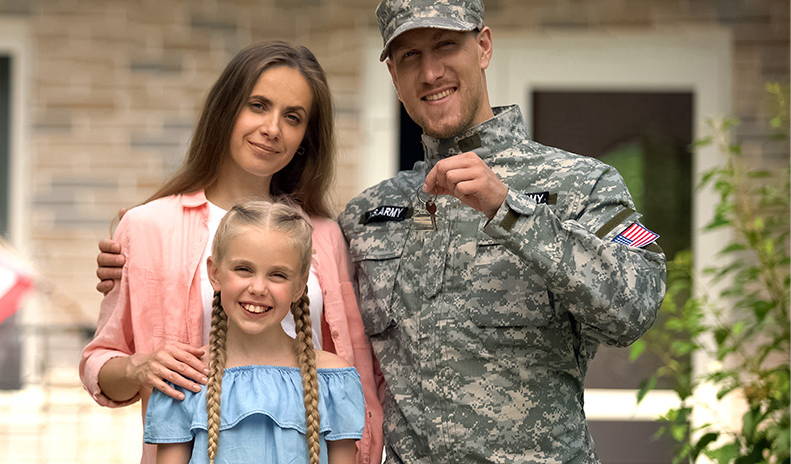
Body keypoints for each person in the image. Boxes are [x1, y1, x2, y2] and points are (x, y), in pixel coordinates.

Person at [99, 1, 668, 461]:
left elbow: (635, 308)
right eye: (409, 56)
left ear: (485, 46)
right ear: (393, 74)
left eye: (447, 45)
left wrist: (508, 208)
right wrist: (139, 253)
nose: (431, 70)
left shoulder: (583, 184)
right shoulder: (368, 216)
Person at [80, 41, 383, 464]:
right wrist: (138, 368)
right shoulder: (147, 228)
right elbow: (99, 362)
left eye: (292, 117)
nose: (273, 128)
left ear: (305, 138)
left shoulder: (326, 236)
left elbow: (351, 371)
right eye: (258, 105)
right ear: (226, 110)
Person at [144, 200, 365, 464]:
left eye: (278, 275)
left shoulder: (333, 380)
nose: (258, 288)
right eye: (243, 269)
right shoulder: (188, 378)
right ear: (215, 273)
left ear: (299, 286)